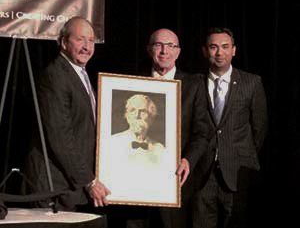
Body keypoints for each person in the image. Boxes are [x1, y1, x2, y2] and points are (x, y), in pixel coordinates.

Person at [23, 16, 110, 212]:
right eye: (80, 39)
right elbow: (60, 136)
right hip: (54, 186)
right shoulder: (55, 75)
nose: (87, 46)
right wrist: (89, 181)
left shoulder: (80, 72)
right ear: (63, 42)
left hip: (71, 186)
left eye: (91, 40)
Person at [191, 27, 268, 228]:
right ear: (204, 51)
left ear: (234, 50)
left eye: (225, 47)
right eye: (213, 47)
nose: (219, 52)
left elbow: (259, 129)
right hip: (202, 175)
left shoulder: (251, 82)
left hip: (238, 175)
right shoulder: (193, 83)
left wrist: (238, 154)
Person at [146, 28, 209, 228]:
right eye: (158, 45)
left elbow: (202, 132)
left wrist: (187, 160)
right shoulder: (131, 81)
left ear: (178, 52)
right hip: (139, 181)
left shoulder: (194, 84)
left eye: (170, 46)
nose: (164, 51)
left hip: (176, 181)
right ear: (149, 50)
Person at [102, 94, 170, 202]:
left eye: (142, 111)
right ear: (127, 115)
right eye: (133, 110)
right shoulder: (110, 143)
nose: (137, 115)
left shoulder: (160, 149)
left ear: (151, 117)